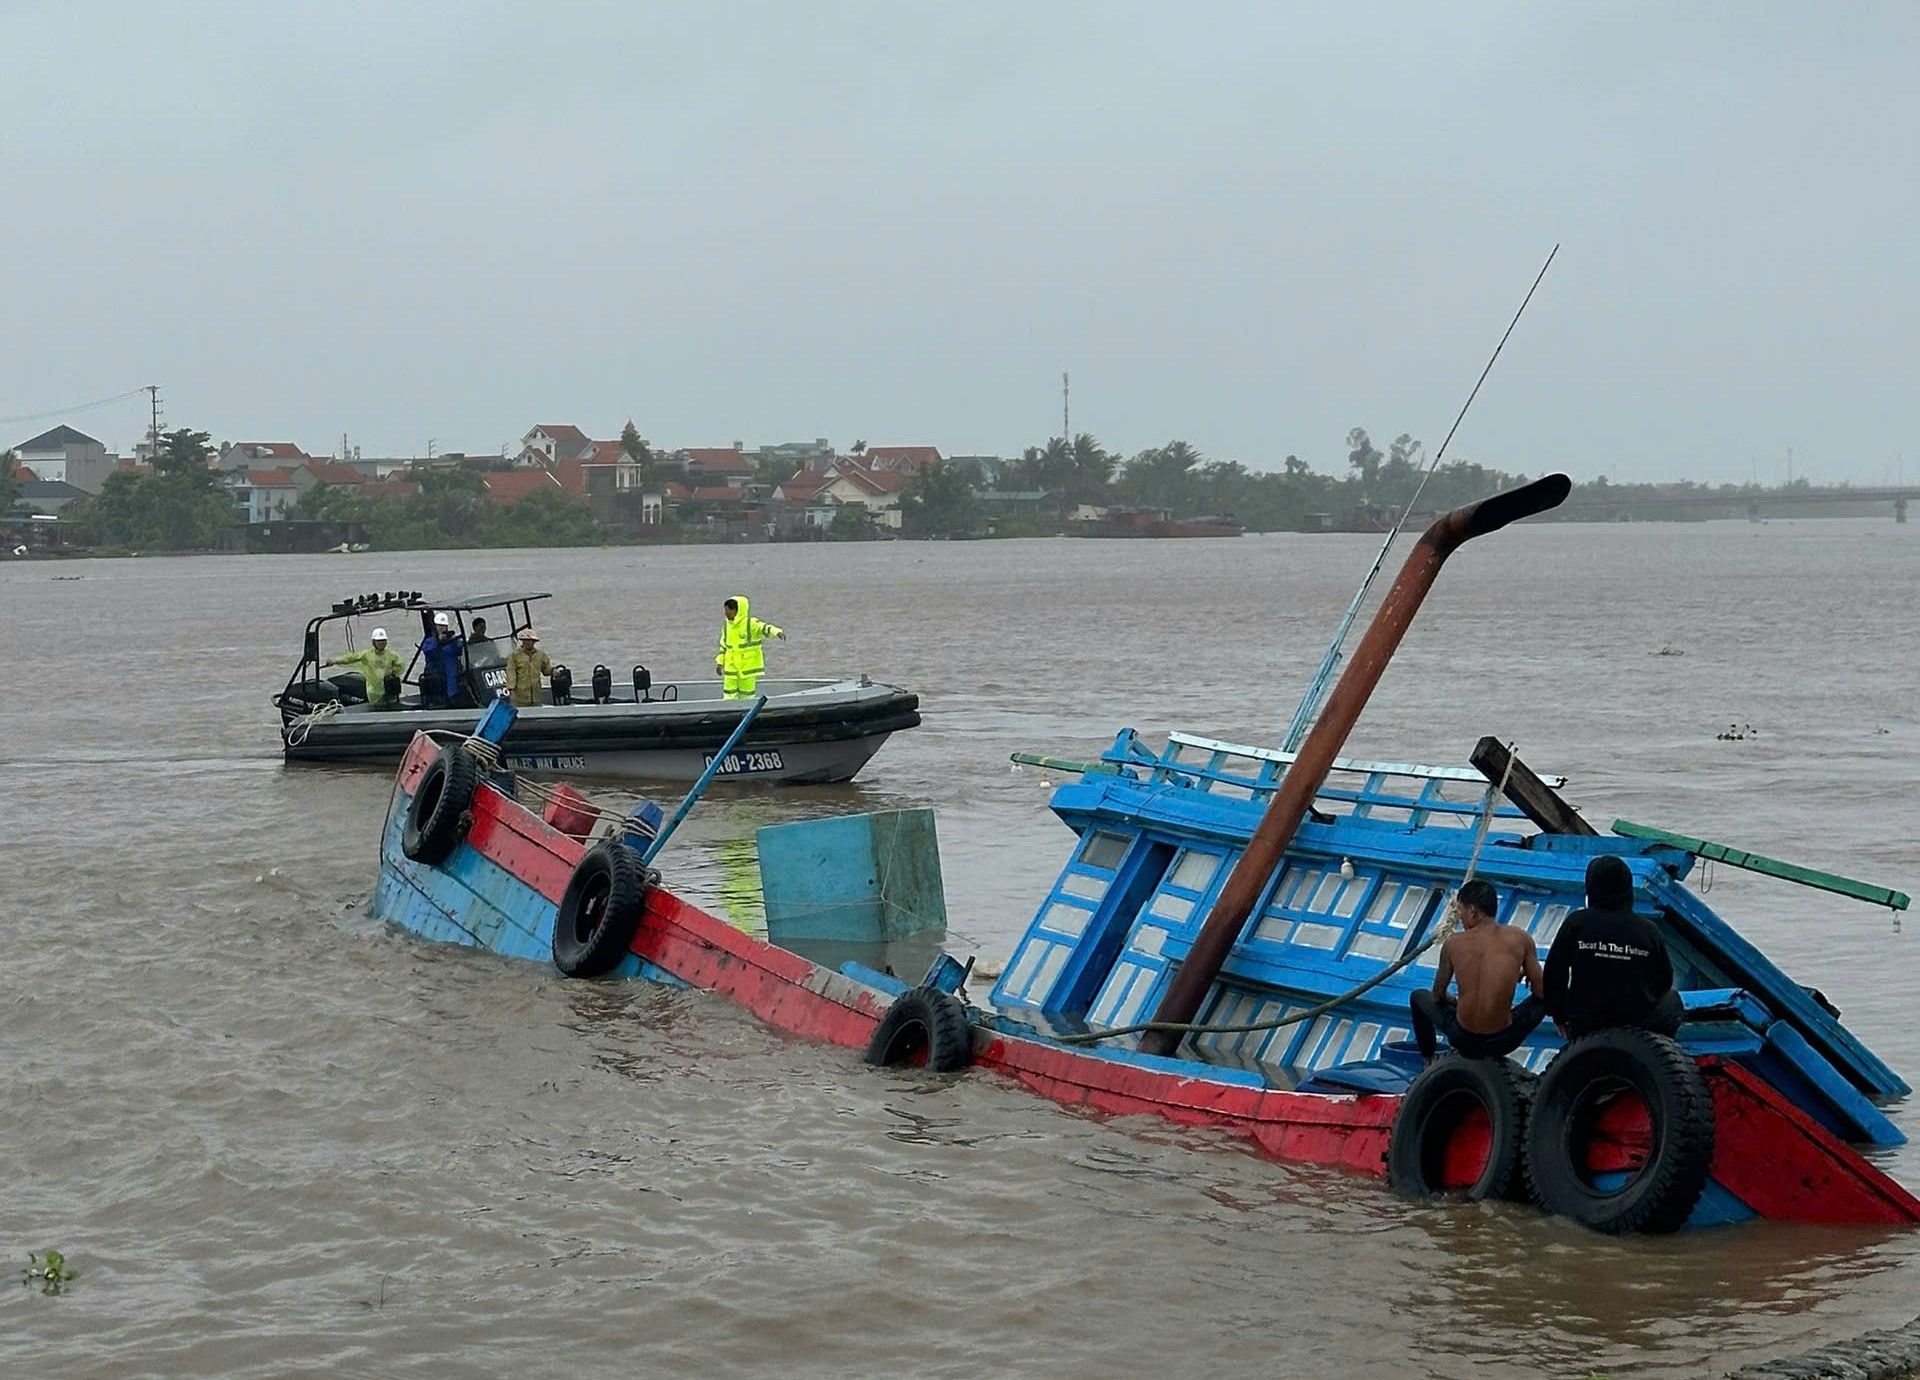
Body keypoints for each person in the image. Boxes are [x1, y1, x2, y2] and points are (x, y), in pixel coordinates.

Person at [1544, 855, 1684, 1039]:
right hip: (1637, 1022)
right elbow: (1664, 981)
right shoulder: (1648, 930)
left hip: (1585, 1020)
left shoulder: (1576, 923)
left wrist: (1559, 1016)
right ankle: (1657, 1046)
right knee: (1673, 1000)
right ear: (1628, 888)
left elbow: (1555, 972)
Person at [1408, 879, 1547, 1063]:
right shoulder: (1520, 938)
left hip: (1463, 1038)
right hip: (1504, 1040)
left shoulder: (1453, 943)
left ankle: (1427, 1058)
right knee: (1551, 996)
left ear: (1472, 910)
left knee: (1418, 996)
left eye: (1461, 911)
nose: (1460, 918)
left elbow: (1437, 994)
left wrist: (1452, 1001)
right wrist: (1522, 974)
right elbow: (1542, 992)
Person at [715, 595, 785, 699]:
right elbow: (723, 646)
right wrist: (720, 663)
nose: (726, 613)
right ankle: (730, 711)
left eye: (728, 610)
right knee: (729, 694)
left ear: (736, 610)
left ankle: (745, 711)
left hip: (747, 668)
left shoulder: (750, 624)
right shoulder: (727, 626)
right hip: (731, 667)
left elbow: (764, 628)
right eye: (725, 610)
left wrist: (777, 632)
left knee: (747, 695)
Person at [327, 627, 406, 710]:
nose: (381, 643)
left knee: (392, 705)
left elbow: (401, 666)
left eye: (383, 641)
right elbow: (350, 658)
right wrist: (335, 661)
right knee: (377, 707)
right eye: (378, 641)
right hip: (374, 692)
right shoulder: (367, 655)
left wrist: (392, 671)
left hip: (390, 690)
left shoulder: (392, 655)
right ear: (374, 642)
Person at [418, 612, 468, 708]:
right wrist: (439, 642)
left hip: (452, 676)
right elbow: (428, 652)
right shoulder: (429, 641)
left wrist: (453, 639)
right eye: (439, 626)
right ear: (435, 627)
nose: (441, 628)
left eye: (443, 626)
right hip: (436, 677)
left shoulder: (453, 641)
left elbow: (461, 649)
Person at [505, 627, 554, 707]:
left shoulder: (540, 655)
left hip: (536, 697)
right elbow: (511, 674)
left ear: (534, 642)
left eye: (531, 640)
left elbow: (546, 670)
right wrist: (512, 691)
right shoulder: (515, 656)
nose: (529, 642)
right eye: (526, 640)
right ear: (522, 641)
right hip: (520, 697)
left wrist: (553, 671)